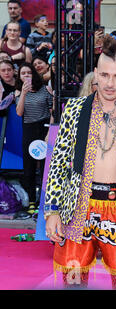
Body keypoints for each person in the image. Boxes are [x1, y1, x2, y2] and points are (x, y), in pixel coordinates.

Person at [44, 36, 116, 290]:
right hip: (77, 205)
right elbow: (58, 162)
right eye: (104, 75)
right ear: (95, 74)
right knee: (73, 280)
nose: (110, 83)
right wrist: (52, 211)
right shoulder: (74, 109)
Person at [15, 62, 53, 215]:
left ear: (33, 74)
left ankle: (44, 202)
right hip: (29, 128)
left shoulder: (44, 89)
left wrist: (49, 132)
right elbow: (19, 112)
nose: (26, 76)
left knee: (45, 167)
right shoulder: (18, 92)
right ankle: (31, 201)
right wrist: (23, 93)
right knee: (29, 167)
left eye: (28, 73)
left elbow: (52, 111)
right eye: (23, 74)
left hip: (44, 127)